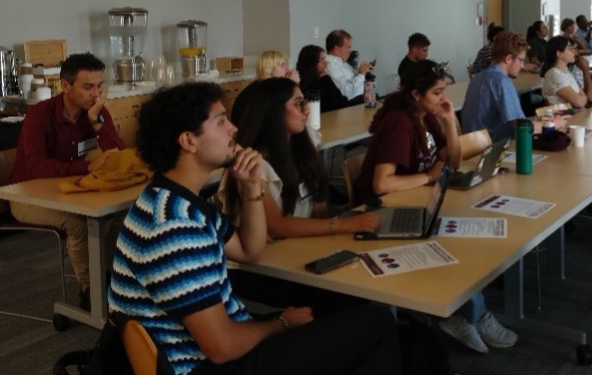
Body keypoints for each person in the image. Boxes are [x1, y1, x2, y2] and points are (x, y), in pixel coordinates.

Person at [108, 82, 401, 375]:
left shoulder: (177, 200)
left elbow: (252, 250)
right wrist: (281, 324)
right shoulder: (173, 226)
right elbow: (222, 348)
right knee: (376, 323)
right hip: (212, 366)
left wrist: (251, 189)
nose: (234, 129)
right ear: (188, 141)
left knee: (347, 312)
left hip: (223, 347)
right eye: (222, 122)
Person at [215, 77, 379, 315]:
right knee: (347, 303)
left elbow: (319, 207)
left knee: (358, 288)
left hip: (298, 252)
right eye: (299, 104)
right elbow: (276, 227)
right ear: (273, 112)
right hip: (264, 270)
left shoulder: (304, 144)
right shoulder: (250, 166)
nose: (307, 110)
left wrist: (332, 238)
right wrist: (341, 224)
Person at [11, 52, 125, 309]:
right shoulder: (39, 116)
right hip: (26, 196)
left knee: (122, 213)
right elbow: (38, 167)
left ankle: (106, 277)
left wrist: (98, 122)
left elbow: (120, 155)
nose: (96, 94)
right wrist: (88, 166)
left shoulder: (94, 111)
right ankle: (90, 290)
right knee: (77, 224)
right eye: (87, 87)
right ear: (65, 86)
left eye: (99, 86)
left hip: (71, 190)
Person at [355, 60, 461, 203]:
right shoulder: (399, 123)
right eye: (437, 92)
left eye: (443, 90)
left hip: (413, 194)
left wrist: (449, 121)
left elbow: (452, 164)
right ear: (416, 94)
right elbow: (381, 185)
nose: (443, 97)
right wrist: (429, 177)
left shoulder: (426, 115)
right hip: (380, 205)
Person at [461, 30, 567, 142]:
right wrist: (553, 124)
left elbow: (515, 121)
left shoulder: (478, 77)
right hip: (494, 148)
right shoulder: (502, 82)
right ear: (508, 59)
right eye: (521, 60)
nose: (522, 66)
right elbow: (521, 127)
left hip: (473, 146)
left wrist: (540, 119)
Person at [296, 45, 367, 112]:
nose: (326, 62)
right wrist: (361, 99)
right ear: (312, 63)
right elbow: (340, 104)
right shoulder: (313, 83)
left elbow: (340, 100)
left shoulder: (323, 77)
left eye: (325, 58)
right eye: (321, 59)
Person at [540, 36, 592, 107]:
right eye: (569, 48)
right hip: (564, 116)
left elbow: (584, 97)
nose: (574, 51)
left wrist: (582, 97)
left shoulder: (565, 71)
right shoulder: (554, 74)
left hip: (575, 114)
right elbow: (580, 103)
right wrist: (582, 97)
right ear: (559, 54)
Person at [325, 29, 374, 101]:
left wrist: (365, 72)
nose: (350, 51)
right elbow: (345, 92)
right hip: (347, 106)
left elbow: (353, 80)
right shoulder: (331, 66)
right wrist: (361, 74)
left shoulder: (341, 62)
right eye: (348, 47)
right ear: (336, 49)